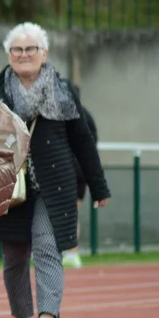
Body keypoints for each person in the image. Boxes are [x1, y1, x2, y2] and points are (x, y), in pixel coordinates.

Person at [0, 22, 109, 318]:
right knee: (14, 256)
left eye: (31, 49)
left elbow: (83, 141)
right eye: (17, 50)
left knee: (47, 246)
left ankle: (47, 317)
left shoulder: (64, 92)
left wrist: (98, 185)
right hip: (8, 185)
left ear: (44, 53)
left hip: (54, 184)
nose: (24, 55)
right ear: (8, 55)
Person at [63, 104, 99, 269]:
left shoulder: (63, 114)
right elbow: (93, 142)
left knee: (64, 212)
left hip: (68, 166)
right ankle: (72, 252)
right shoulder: (87, 115)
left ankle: (70, 252)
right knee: (73, 212)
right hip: (81, 167)